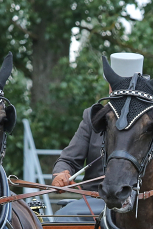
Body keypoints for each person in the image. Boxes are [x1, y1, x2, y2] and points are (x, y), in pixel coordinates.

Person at [50, 53, 145, 219]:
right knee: (63, 217)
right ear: (109, 86)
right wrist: (61, 173)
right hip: (96, 200)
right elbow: (69, 160)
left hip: (138, 202)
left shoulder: (151, 119)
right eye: (116, 87)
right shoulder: (92, 116)